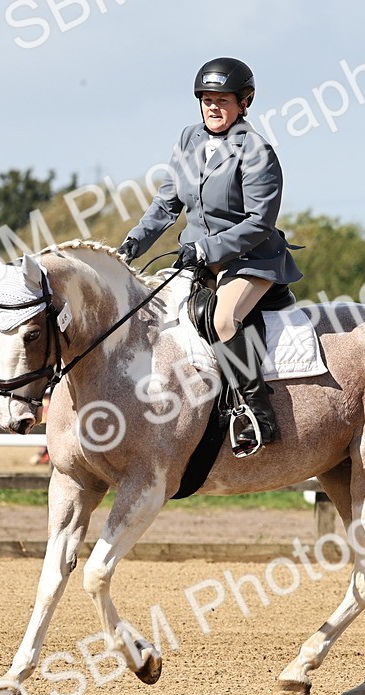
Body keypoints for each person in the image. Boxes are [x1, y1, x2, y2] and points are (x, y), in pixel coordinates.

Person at [117, 57, 302, 458]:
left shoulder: (256, 151)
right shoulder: (188, 139)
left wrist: (206, 248)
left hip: (253, 260)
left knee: (222, 317)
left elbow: (260, 221)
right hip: (199, 260)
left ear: (244, 103)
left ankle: (257, 414)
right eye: (206, 100)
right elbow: (167, 203)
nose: (213, 107)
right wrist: (132, 244)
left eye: (222, 100)